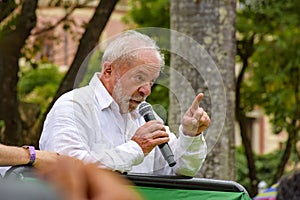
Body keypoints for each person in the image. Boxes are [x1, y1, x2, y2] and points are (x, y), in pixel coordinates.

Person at [39, 30, 210, 176]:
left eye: (151, 82)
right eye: (139, 78)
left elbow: (181, 170)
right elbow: (66, 169)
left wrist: (190, 135)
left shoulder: (145, 115)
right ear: (108, 71)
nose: (146, 91)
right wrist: (136, 148)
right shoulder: (73, 106)